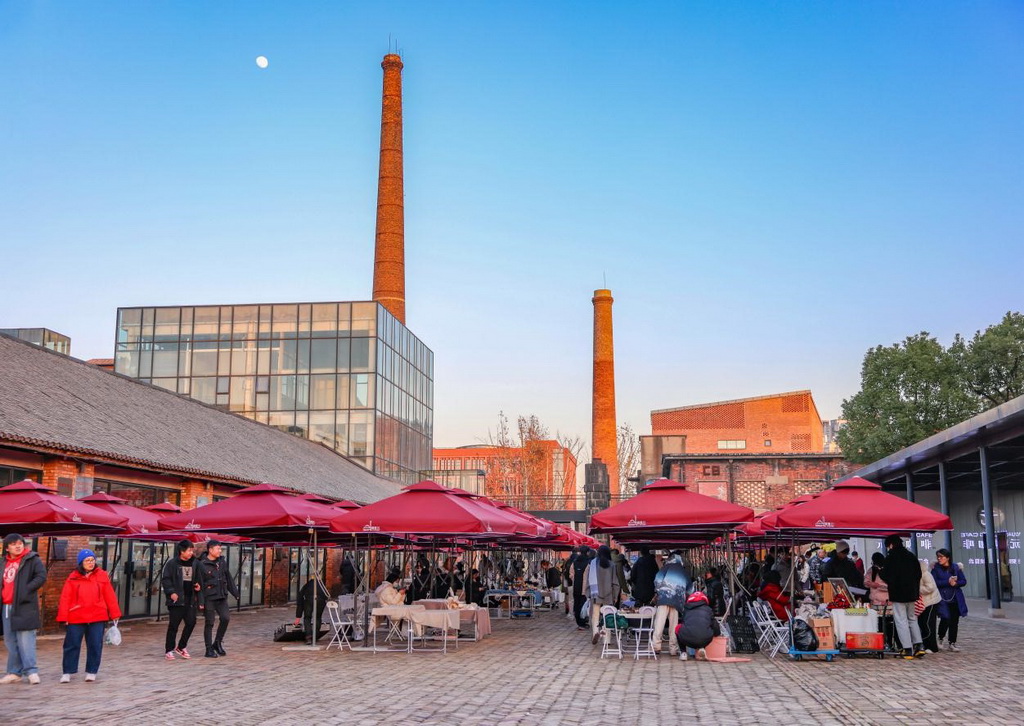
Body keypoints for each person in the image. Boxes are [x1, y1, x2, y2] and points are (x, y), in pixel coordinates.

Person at [56, 549, 121, 683]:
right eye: (87, 560)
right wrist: (63, 617)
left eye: (92, 560)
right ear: (81, 562)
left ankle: (92, 671)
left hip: (97, 616)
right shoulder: (72, 577)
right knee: (71, 645)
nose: (91, 563)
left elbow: (109, 595)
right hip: (76, 616)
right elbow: (65, 598)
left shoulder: (102, 576)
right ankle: (67, 672)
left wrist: (115, 613)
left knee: (95, 645)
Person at [1, 533, 46, 685]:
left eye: (20, 543)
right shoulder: (3, 562)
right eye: (13, 544)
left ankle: (31, 671)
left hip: (24, 606)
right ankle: (14, 672)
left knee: (26, 640)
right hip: (6, 606)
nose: (18, 546)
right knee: (10, 641)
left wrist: (26, 589)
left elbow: (41, 576)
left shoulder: (32, 559)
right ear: (7, 548)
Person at [880, 534, 924, 659]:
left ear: (891, 545)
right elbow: (918, 574)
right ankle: (919, 645)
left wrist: (881, 572)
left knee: (901, 620)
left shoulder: (890, 558)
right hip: (912, 594)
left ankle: (907, 649)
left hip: (898, 594)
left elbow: (885, 575)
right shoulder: (911, 556)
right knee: (912, 619)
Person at [196, 540, 239, 659]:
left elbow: (228, 578)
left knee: (225, 618)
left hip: (221, 596)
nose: (220, 551)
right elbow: (199, 583)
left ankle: (217, 642)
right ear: (210, 550)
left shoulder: (222, 562)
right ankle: (208, 649)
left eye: (220, 548)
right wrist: (200, 601)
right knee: (209, 623)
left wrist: (235, 593)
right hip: (209, 597)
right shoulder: (201, 564)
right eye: (218, 549)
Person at [161, 539, 200, 660]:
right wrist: (171, 592)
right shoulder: (172, 563)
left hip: (190, 598)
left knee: (191, 622)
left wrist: (198, 586)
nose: (191, 553)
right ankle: (169, 650)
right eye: (189, 550)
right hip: (176, 600)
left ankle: (181, 646)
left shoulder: (195, 563)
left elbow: (198, 578)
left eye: (192, 550)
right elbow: (166, 579)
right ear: (182, 551)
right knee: (174, 625)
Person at [652, 551, 690, 655]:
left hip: (663, 598)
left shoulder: (665, 568)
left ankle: (656, 646)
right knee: (674, 625)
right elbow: (690, 588)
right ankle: (673, 649)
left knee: (659, 622)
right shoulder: (683, 571)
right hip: (677, 600)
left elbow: (657, 580)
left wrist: (659, 590)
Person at [582, 545, 620, 644]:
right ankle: (606, 639)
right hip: (609, 594)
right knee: (607, 616)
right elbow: (615, 582)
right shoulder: (612, 565)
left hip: (595, 594)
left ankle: (595, 632)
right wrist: (616, 596)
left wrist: (587, 592)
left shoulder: (593, 563)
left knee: (595, 615)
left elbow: (588, 580)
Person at [932, 548, 967, 652]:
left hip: (955, 598)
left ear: (947, 558)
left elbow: (963, 581)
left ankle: (952, 642)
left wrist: (956, 583)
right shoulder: (935, 569)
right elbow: (934, 582)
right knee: (945, 618)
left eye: (941, 556)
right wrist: (947, 582)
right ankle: (940, 637)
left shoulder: (956, 568)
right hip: (942, 598)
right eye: (938, 557)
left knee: (954, 621)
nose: (939, 558)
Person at [675, 590, 721, 661]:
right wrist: (717, 633)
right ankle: (701, 647)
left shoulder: (686, 609)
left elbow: (683, 623)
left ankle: (683, 653)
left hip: (687, 640)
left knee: (678, 628)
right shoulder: (708, 610)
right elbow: (714, 624)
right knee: (705, 628)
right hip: (705, 639)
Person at [294, 576, 330, 644]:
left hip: (308, 601)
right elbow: (326, 596)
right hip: (321, 601)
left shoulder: (307, 586)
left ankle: (308, 637)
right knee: (318, 618)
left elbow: (300, 601)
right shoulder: (322, 586)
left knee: (307, 618)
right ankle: (315, 636)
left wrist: (298, 616)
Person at [917, 560, 940, 653]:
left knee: (928, 624)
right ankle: (925, 643)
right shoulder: (918, 574)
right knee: (922, 623)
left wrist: (917, 589)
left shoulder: (925, 574)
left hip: (931, 601)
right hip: (923, 602)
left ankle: (931, 646)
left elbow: (930, 587)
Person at [570, 546, 592, 630]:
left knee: (576, 605)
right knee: (583, 605)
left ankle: (579, 622)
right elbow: (589, 576)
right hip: (584, 588)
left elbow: (571, 574)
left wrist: (575, 580)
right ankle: (582, 623)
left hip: (576, 587)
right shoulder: (588, 562)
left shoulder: (575, 562)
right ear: (587, 552)